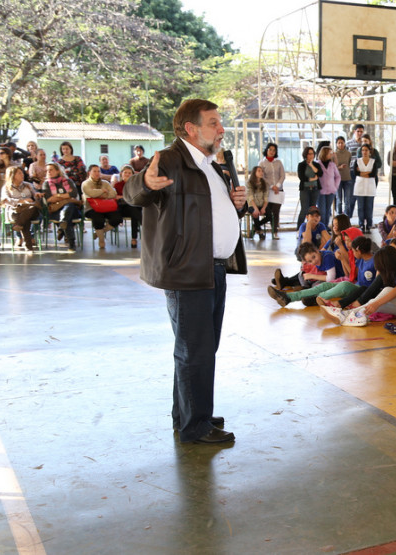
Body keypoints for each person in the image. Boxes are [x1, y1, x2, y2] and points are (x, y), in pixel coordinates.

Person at [123, 98, 248, 444]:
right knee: (194, 349)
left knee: (202, 347)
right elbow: (132, 193)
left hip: (214, 269)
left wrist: (239, 204)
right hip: (188, 269)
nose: (221, 129)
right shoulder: (170, 160)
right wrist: (145, 183)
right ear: (191, 129)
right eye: (213, 123)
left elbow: (215, 211)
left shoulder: (210, 164)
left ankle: (192, 412)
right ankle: (196, 427)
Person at [320, 246, 396, 326]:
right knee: (375, 305)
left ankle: (346, 314)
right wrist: (375, 304)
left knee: (386, 292)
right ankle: (347, 315)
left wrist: (376, 303)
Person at [42, 162, 82, 251]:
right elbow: (48, 199)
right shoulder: (46, 184)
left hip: (72, 209)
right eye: (47, 170)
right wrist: (66, 196)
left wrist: (58, 196)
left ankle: (62, 227)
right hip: (55, 211)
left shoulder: (68, 181)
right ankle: (71, 243)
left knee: (69, 207)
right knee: (66, 217)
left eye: (51, 170)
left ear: (57, 171)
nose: (48, 172)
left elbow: (74, 193)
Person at [82, 164, 121, 250]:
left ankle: (100, 232)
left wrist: (101, 195)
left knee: (117, 218)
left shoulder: (105, 183)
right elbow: (90, 193)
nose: (97, 173)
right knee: (98, 218)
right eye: (94, 171)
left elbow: (113, 194)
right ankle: (101, 240)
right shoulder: (85, 183)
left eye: (98, 171)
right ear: (89, 173)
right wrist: (103, 191)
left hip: (106, 206)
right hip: (91, 208)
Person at [0, 166, 39, 251]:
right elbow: (6, 200)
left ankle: (18, 225)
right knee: (25, 219)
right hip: (15, 211)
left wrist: (37, 195)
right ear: (13, 175)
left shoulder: (28, 185)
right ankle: (28, 246)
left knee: (32, 208)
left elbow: (35, 195)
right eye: (19, 173)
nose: (22, 174)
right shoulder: (6, 188)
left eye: (22, 172)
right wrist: (21, 201)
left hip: (30, 210)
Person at [259, 142, 285, 240]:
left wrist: (277, 185)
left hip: (278, 190)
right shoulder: (262, 163)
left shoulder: (278, 162)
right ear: (267, 150)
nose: (272, 152)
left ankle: (275, 232)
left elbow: (283, 175)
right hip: (267, 191)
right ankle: (259, 225)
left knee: (276, 211)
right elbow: (262, 176)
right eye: (270, 149)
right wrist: (271, 186)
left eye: (274, 150)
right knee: (268, 212)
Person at [113, 165, 142, 248]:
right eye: (125, 172)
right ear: (121, 174)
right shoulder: (117, 185)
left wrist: (123, 196)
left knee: (134, 211)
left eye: (129, 173)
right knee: (134, 210)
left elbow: (136, 196)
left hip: (134, 207)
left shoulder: (136, 184)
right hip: (123, 208)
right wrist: (126, 197)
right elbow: (116, 197)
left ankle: (134, 238)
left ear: (133, 175)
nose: (127, 174)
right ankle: (144, 226)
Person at [354, 144, 380, 232]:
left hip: (370, 187)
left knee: (369, 207)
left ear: (369, 151)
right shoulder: (357, 161)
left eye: (366, 150)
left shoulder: (373, 161)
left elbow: (373, 174)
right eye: (363, 150)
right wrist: (367, 173)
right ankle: (361, 225)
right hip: (359, 187)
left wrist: (362, 173)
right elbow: (355, 173)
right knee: (360, 207)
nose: (364, 152)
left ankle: (369, 225)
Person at [296, 146, 323, 229]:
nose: (311, 156)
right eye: (309, 154)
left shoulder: (316, 164)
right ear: (305, 155)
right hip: (305, 189)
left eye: (312, 154)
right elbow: (302, 177)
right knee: (304, 209)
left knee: (312, 209)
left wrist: (311, 165)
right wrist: (312, 179)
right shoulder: (301, 165)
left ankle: (311, 227)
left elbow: (320, 173)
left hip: (315, 189)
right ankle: (299, 228)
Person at [316, 145, 341, 225]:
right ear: (324, 153)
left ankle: (326, 226)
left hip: (331, 191)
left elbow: (338, 176)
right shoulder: (317, 163)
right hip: (320, 191)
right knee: (321, 210)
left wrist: (335, 187)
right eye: (329, 153)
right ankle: (321, 226)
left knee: (328, 210)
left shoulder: (332, 165)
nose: (331, 155)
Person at [246, 166, 270, 240]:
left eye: (262, 171)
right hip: (251, 204)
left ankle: (255, 228)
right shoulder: (249, 183)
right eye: (259, 171)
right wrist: (256, 209)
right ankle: (260, 232)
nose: (261, 173)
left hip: (261, 204)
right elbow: (250, 197)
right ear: (254, 173)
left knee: (269, 215)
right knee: (255, 214)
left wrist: (263, 208)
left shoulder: (265, 183)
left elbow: (266, 197)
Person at [334, 136, 354, 217]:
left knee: (347, 200)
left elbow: (349, 164)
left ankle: (347, 218)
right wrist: (339, 167)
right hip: (338, 179)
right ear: (336, 144)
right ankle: (339, 217)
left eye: (342, 142)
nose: (341, 144)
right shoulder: (334, 154)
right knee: (339, 200)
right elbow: (332, 167)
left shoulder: (348, 153)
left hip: (347, 178)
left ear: (344, 143)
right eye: (339, 143)